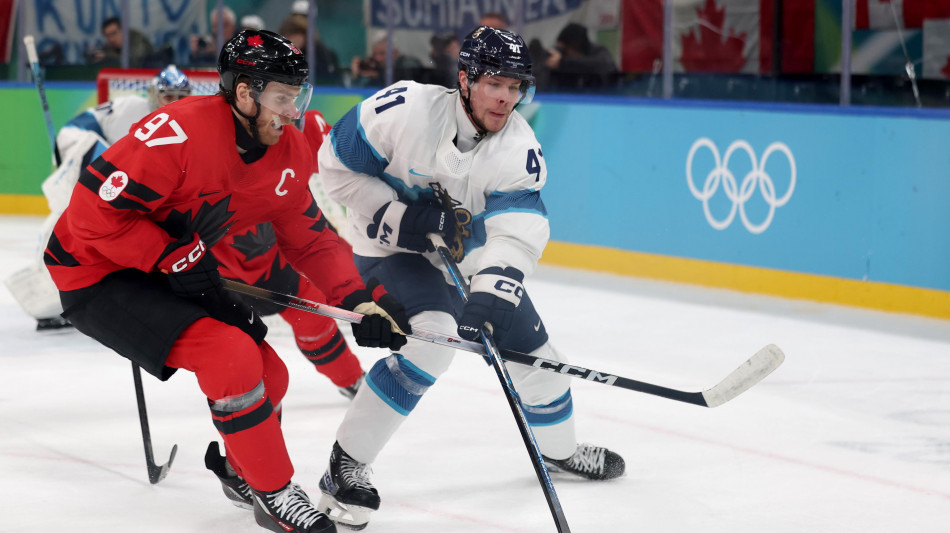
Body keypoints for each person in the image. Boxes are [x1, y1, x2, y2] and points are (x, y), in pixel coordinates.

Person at [43, 30, 410, 533]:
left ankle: (240, 470)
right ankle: (276, 494)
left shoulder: (288, 151)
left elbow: (310, 241)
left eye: (298, 96)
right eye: (283, 97)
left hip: (171, 267)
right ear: (244, 92)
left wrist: (358, 300)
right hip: (95, 271)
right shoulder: (177, 133)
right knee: (229, 355)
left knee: (271, 376)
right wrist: (168, 253)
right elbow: (89, 217)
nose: (293, 111)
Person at [314, 25, 625, 530]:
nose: (506, 98)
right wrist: (399, 217)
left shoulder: (519, 150)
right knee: (433, 341)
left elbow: (517, 232)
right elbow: (334, 167)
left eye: (515, 86)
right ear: (464, 79)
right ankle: (345, 465)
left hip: (468, 257)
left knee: (539, 362)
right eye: (494, 84)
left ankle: (560, 452)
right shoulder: (404, 110)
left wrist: (497, 287)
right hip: (388, 249)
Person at [4, 65, 192, 331]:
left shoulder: (176, 123)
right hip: (79, 142)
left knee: (87, 217)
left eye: (181, 96)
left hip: (95, 155)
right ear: (153, 95)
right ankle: (50, 290)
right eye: (168, 96)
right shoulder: (134, 108)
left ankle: (53, 295)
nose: (175, 103)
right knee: (85, 214)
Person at [531, 22, 619, 91]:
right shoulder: (567, 66)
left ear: (574, 46)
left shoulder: (600, 54)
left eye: (564, 50)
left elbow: (600, 65)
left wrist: (562, 63)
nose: (562, 54)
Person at [349, 31, 423, 87]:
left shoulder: (408, 64)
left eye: (382, 53)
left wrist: (380, 75)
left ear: (395, 53)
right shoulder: (375, 70)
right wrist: (356, 76)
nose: (378, 58)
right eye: (375, 54)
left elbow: (407, 87)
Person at [86, 16, 155, 67]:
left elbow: (134, 61)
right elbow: (100, 54)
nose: (111, 39)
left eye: (114, 33)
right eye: (107, 36)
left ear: (123, 30)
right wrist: (94, 54)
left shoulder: (137, 40)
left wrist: (107, 57)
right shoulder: (112, 45)